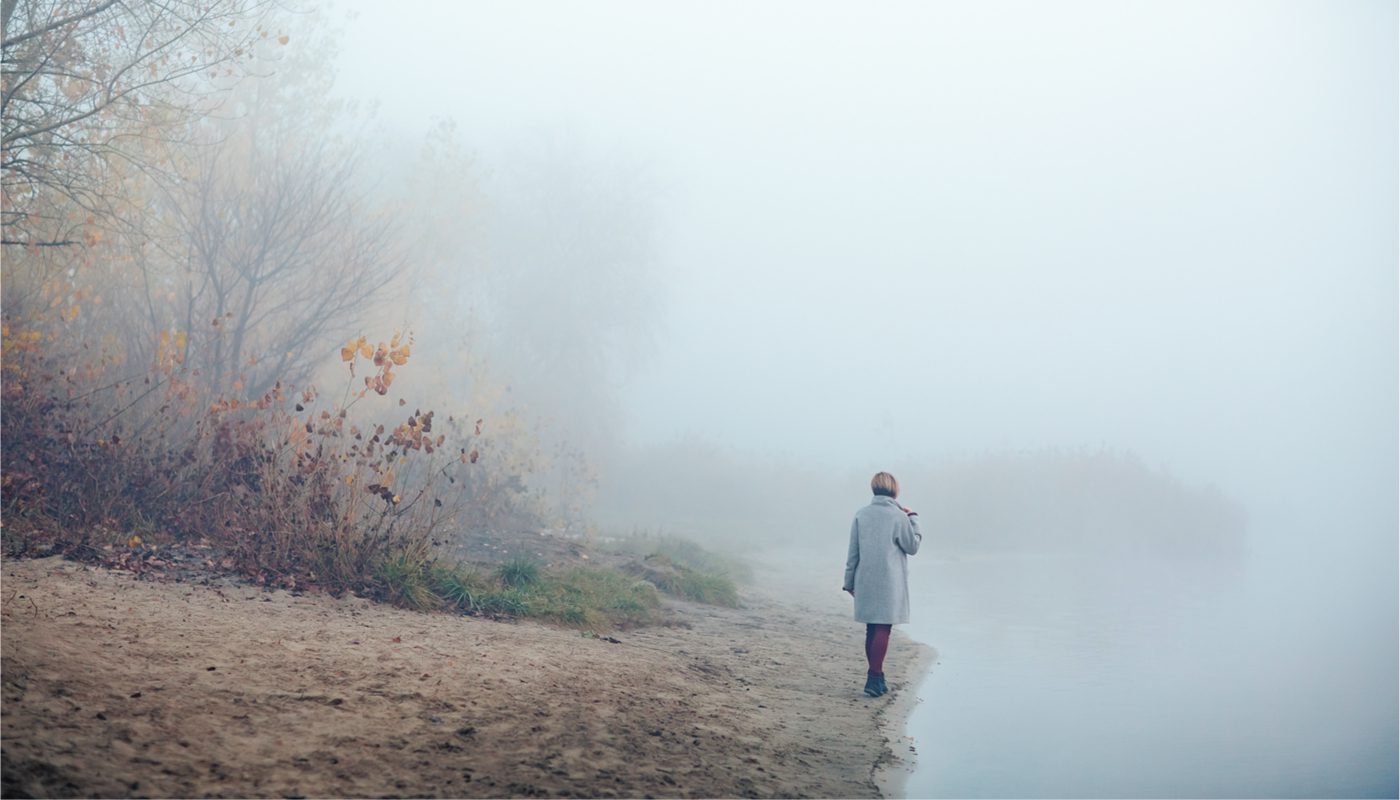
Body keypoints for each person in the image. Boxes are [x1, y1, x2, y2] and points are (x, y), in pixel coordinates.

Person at [843, 471, 922, 697]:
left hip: (864, 577)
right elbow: (913, 546)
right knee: (883, 627)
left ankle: (876, 676)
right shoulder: (899, 516)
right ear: (894, 489)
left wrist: (848, 581)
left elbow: (853, 552)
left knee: (872, 627)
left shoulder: (861, 514)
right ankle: (874, 677)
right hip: (889, 581)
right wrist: (914, 517)